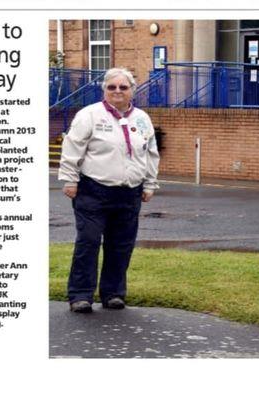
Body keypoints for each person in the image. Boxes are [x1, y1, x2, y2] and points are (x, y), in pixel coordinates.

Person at [59, 67, 160, 313]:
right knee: (89, 241)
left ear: (132, 91)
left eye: (123, 87)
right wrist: (70, 179)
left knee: (121, 244)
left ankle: (113, 293)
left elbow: (150, 152)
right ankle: (80, 295)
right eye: (111, 87)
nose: (117, 91)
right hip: (93, 191)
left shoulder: (142, 119)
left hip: (129, 193)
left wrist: (149, 183)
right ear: (104, 89)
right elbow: (73, 148)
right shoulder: (89, 115)